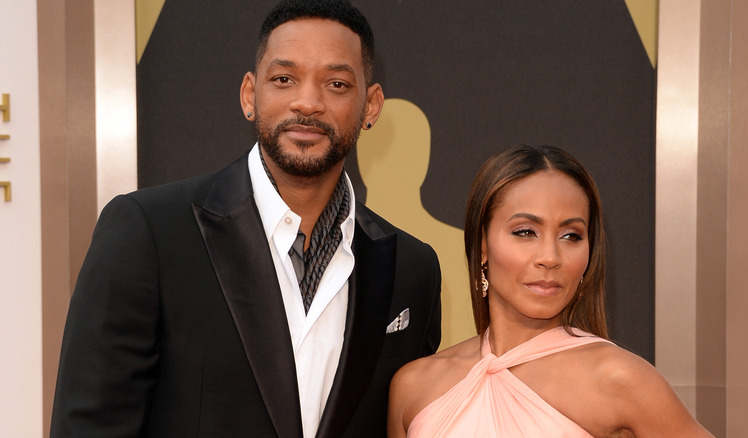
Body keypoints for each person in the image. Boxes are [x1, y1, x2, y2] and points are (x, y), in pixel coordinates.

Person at [50, 1, 441, 437]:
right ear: (249, 95)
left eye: (335, 83)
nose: (307, 102)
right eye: (284, 79)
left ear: (371, 105)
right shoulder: (149, 233)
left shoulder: (412, 268)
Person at [388, 145, 712, 437]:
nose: (549, 258)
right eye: (526, 232)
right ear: (482, 245)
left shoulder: (621, 380)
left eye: (571, 236)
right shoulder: (414, 387)